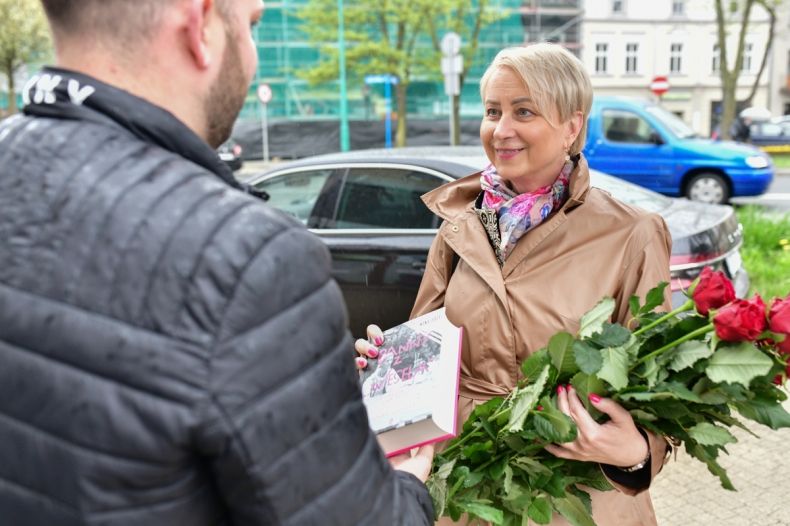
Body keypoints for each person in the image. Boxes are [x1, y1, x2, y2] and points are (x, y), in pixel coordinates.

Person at [0, 1, 434, 524]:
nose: (252, 56)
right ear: (200, 24)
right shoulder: (250, 257)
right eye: (251, 26)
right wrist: (407, 486)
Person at [358, 43, 673, 526]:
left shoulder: (632, 233)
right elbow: (427, 354)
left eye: (523, 111)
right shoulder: (460, 224)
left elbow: (662, 385)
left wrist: (635, 452)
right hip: (470, 489)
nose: (501, 130)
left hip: (578, 497)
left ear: (572, 126)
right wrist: (386, 367)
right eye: (492, 111)